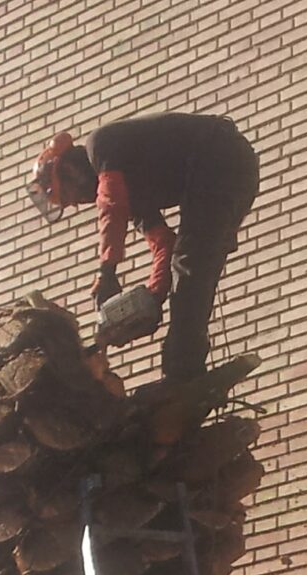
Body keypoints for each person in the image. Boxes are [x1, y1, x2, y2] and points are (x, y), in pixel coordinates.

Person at [27, 113, 259, 380]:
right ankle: (184, 367)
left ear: (69, 171)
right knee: (192, 268)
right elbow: (164, 244)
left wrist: (107, 270)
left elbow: (110, 204)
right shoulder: (132, 197)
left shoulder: (101, 146)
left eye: (70, 195)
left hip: (218, 157)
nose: (79, 201)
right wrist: (151, 298)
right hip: (230, 172)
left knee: (191, 265)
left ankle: (182, 376)